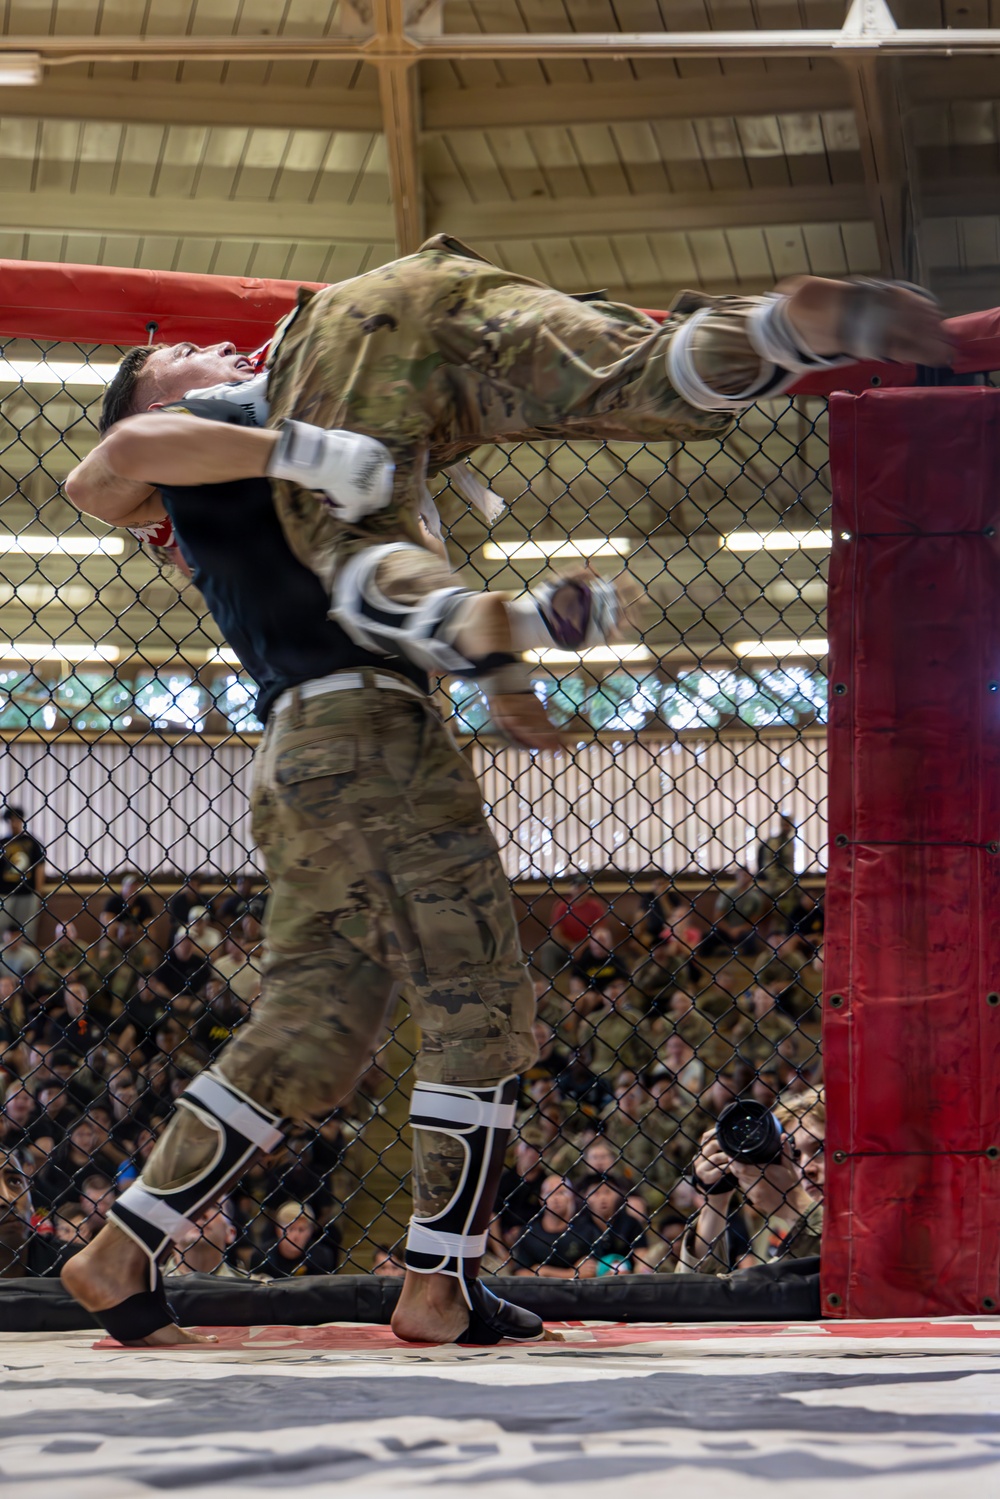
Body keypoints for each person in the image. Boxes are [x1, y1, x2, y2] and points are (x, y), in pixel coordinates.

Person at [0, 807, 45, 943]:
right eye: (10, 820)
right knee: (2, 926)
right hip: (4, 892)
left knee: (27, 928)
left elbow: (39, 867)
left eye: (16, 820)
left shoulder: (32, 842)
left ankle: (26, 959)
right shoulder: (2, 843)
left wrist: (38, 892)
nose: (13, 823)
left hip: (27, 891)